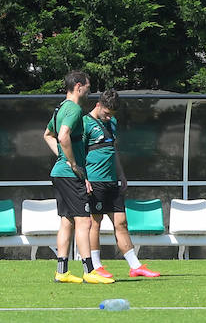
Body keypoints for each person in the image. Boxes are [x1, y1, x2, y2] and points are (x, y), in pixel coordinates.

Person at [84, 89, 160, 279]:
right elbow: (78, 153)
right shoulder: (84, 123)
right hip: (95, 181)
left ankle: (135, 266)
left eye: (112, 115)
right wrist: (83, 178)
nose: (109, 117)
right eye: (107, 113)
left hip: (112, 182)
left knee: (121, 222)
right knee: (96, 223)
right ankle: (96, 266)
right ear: (98, 105)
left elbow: (113, 150)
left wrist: (122, 175)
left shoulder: (112, 123)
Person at [44, 71, 108, 284]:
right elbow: (62, 136)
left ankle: (61, 271)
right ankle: (89, 271)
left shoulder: (60, 107)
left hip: (59, 174)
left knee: (67, 221)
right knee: (84, 221)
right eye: (88, 86)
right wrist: (72, 163)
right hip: (69, 174)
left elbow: (48, 135)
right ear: (79, 86)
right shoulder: (73, 108)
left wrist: (63, 157)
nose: (90, 90)